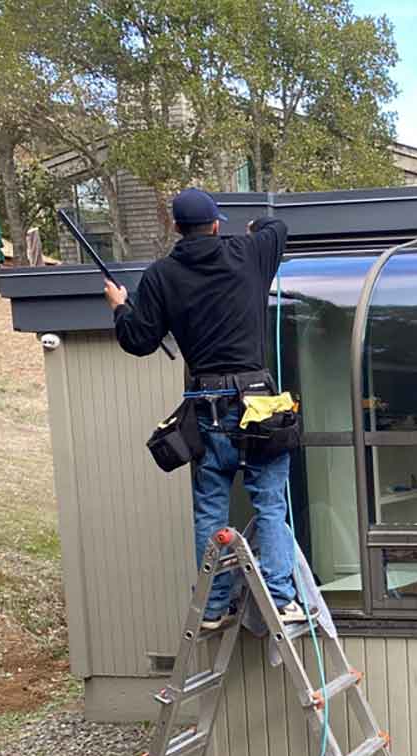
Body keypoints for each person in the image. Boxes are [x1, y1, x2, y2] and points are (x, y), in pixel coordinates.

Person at [104, 187, 304, 629]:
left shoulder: (161, 275)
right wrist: (254, 227)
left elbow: (138, 340)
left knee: (211, 509)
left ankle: (213, 607)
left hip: (206, 408)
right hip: (257, 401)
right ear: (216, 224)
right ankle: (281, 599)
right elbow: (279, 227)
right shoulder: (248, 252)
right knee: (269, 503)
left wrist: (120, 309)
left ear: (176, 228)